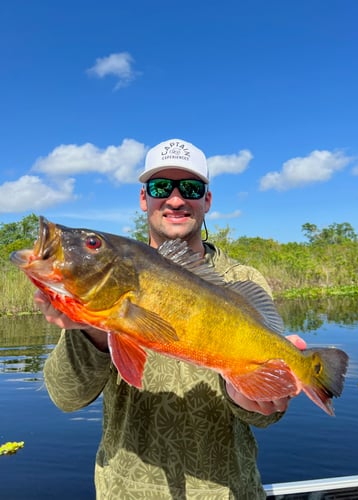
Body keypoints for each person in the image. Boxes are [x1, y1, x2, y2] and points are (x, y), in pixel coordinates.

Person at [37, 138, 306, 499]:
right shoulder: (111, 276)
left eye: (191, 188)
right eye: (162, 187)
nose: (176, 199)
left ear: (207, 200)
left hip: (228, 491)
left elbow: (264, 417)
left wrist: (251, 397)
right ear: (144, 198)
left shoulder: (242, 282)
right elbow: (66, 397)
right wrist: (94, 329)